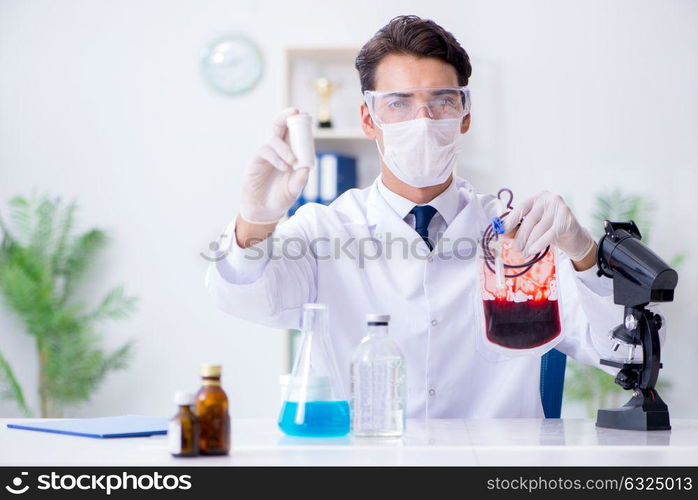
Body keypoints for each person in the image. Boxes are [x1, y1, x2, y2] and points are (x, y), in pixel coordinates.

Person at [206, 15, 645, 418]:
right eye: (398, 103)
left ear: (465, 115)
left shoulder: (521, 233)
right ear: (368, 119)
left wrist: (585, 253)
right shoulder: (325, 230)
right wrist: (255, 222)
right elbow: (243, 299)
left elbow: (623, 352)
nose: (422, 119)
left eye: (442, 101)